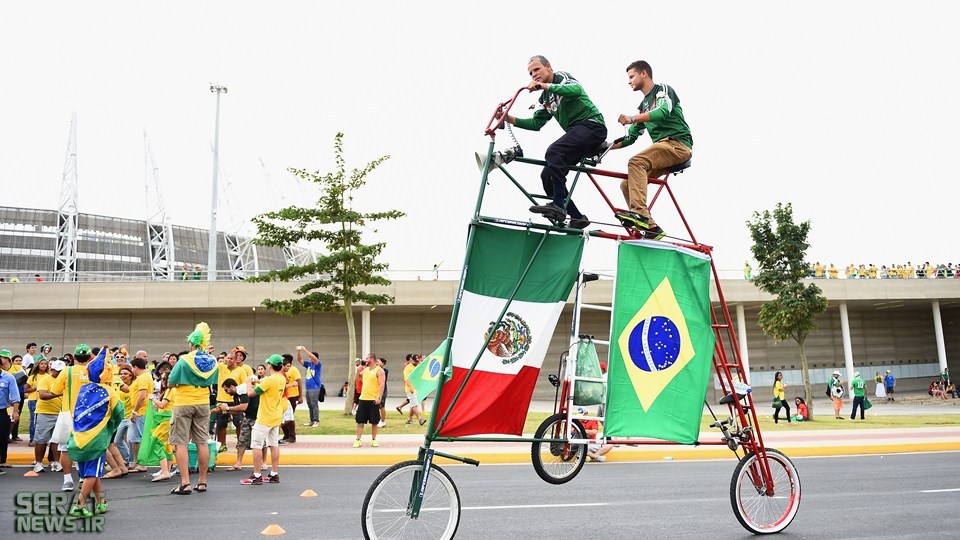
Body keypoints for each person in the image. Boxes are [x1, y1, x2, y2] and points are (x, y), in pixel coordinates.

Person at [498, 55, 606, 230]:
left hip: (592, 126)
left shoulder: (561, 78)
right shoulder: (545, 98)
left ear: (548, 67)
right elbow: (536, 123)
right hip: (577, 133)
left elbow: (576, 90)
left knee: (553, 152)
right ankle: (577, 217)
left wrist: (544, 85)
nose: (534, 75)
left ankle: (558, 206)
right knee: (547, 175)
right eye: (531, 73)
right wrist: (508, 118)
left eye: (537, 69)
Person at [607, 60, 692, 241]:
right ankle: (652, 228)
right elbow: (630, 138)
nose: (629, 81)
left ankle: (640, 215)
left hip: (677, 144)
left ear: (643, 73)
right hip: (663, 148)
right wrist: (604, 147)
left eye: (631, 76)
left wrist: (632, 118)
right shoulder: (643, 106)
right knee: (626, 184)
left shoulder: (662, 90)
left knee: (636, 162)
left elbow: (662, 111)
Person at [66, 350, 123, 517]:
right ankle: (79, 505)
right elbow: (119, 412)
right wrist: (111, 426)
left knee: (92, 473)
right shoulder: (109, 391)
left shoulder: (84, 389)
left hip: (78, 438)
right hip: (96, 440)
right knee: (92, 473)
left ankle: (101, 502)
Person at [167, 322, 220, 495]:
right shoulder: (212, 361)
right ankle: (202, 482)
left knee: (180, 442)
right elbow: (212, 382)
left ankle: (185, 483)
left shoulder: (184, 360)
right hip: (203, 403)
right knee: (202, 442)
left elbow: (171, 382)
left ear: (191, 343)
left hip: (183, 403)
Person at [50, 344, 93, 491]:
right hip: (88, 414)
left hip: (68, 414)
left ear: (74, 357)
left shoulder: (66, 371)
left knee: (65, 448)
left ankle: (67, 480)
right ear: (89, 358)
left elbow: (54, 390)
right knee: (86, 447)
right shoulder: (93, 371)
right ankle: (83, 477)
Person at [241, 354, 285, 485]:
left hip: (265, 417)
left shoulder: (269, 380)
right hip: (276, 416)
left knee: (256, 445)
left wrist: (249, 382)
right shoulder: (281, 378)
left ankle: (257, 475)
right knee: (274, 444)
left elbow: (250, 393)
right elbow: (268, 386)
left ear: (270, 365)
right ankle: (274, 473)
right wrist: (258, 382)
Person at [220, 377, 266, 472]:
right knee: (242, 440)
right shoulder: (236, 395)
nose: (226, 392)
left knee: (261, 441)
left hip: (257, 417)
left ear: (232, 386)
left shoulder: (243, 390)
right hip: (248, 417)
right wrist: (224, 410)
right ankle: (238, 463)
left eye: (226, 390)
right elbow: (239, 411)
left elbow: (243, 407)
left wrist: (227, 408)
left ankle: (264, 462)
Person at [34, 359, 64, 472]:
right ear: (52, 370)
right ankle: (38, 463)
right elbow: (42, 395)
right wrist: (58, 394)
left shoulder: (64, 381)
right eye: (58, 371)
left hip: (60, 413)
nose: (60, 373)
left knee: (57, 439)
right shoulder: (45, 380)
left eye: (62, 371)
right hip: (45, 413)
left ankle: (56, 462)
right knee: (41, 439)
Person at [354, 353, 386, 448]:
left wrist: (379, 397)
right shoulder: (365, 370)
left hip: (373, 399)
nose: (365, 360)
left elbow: (382, 384)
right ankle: (358, 439)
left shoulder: (379, 371)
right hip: (363, 399)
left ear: (372, 359)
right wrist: (358, 371)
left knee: (374, 421)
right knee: (360, 421)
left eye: (367, 358)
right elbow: (357, 379)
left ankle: (373, 439)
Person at [126, 357, 152, 473]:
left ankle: (142, 463)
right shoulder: (143, 377)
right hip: (139, 412)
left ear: (136, 367)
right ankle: (136, 462)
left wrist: (135, 411)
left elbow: (142, 396)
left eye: (132, 367)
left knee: (139, 438)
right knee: (134, 438)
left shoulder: (143, 378)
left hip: (141, 412)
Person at [0, 350, 22, 468]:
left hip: (2, 412)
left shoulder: (8, 378)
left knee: (3, 437)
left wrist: (15, 411)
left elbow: (15, 396)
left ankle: (2, 460)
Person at [24, 357, 50, 446]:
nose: (43, 365)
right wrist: (36, 387)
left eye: (45, 364)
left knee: (43, 421)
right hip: (33, 400)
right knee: (33, 420)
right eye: (41, 364)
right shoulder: (32, 377)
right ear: (38, 365)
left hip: (44, 401)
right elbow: (25, 389)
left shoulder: (48, 377)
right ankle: (33, 439)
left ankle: (43, 440)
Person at [297, 346, 322, 428]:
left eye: (311, 357)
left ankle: (316, 420)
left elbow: (314, 358)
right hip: (308, 387)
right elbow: (300, 360)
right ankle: (312, 420)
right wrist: (299, 352)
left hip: (315, 387)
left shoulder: (318, 364)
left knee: (314, 404)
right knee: (309, 404)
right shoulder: (309, 364)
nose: (310, 359)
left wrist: (305, 350)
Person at [280, 355, 303, 444]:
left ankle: (292, 436)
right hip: (284, 396)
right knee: (284, 417)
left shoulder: (293, 370)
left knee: (289, 417)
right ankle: (286, 435)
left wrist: (300, 396)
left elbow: (299, 382)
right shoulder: (281, 371)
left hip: (293, 396)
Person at [377, 358, 389, 428]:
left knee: (382, 406)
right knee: (377, 407)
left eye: (378, 361)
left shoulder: (385, 370)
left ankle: (383, 421)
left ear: (383, 363)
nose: (377, 363)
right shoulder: (377, 370)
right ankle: (379, 420)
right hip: (377, 390)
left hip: (383, 391)